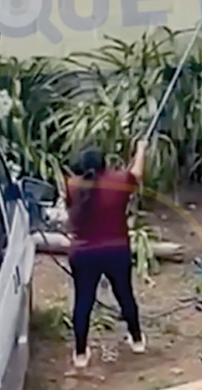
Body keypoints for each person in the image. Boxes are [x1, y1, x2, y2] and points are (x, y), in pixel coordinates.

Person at [65, 139, 148, 368]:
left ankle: (80, 354)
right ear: (105, 163)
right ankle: (137, 340)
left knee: (83, 301)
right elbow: (137, 174)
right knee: (125, 295)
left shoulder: (73, 185)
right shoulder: (120, 180)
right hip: (116, 251)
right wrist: (141, 149)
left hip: (83, 253)